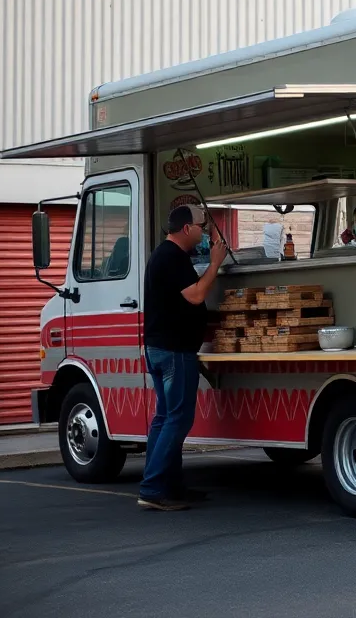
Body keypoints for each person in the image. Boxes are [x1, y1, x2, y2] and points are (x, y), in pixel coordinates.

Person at [138, 204, 228, 512]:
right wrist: (215, 263)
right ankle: (152, 488)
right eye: (200, 228)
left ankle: (170, 487)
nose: (203, 234)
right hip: (174, 350)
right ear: (186, 229)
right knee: (177, 418)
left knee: (165, 418)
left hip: (160, 347)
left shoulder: (166, 256)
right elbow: (196, 295)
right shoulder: (171, 257)